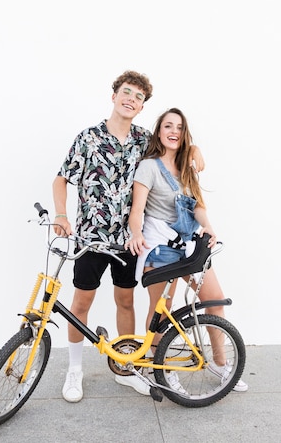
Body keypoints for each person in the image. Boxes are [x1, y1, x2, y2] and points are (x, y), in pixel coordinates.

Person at [52, 72, 205, 403]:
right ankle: (75, 369)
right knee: (81, 302)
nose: (131, 99)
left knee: (125, 301)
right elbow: (61, 179)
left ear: (142, 106)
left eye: (138, 97)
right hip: (91, 239)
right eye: (126, 92)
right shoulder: (88, 138)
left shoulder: (143, 140)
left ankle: (127, 367)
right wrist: (62, 214)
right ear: (114, 96)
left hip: (131, 242)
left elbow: (176, 146)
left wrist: (196, 152)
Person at [126, 107, 248, 392]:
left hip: (190, 245)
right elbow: (137, 210)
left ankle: (219, 361)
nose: (173, 132)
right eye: (168, 126)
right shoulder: (149, 167)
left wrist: (209, 228)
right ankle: (158, 370)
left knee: (214, 300)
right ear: (159, 132)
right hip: (160, 249)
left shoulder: (187, 167)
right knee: (161, 313)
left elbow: (199, 206)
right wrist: (134, 234)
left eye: (179, 128)